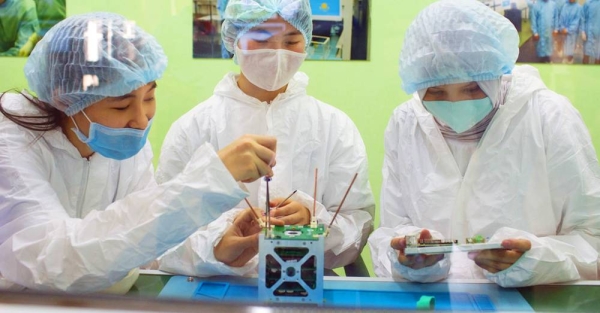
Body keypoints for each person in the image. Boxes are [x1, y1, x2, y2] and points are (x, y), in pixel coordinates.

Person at [0, 12, 276, 292]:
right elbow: (51, 261)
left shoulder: (125, 143)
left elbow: (144, 239)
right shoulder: (12, 140)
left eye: (149, 97)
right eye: (121, 106)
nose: (141, 120)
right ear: (64, 97)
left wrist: (216, 248)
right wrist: (207, 182)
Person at [368, 0, 600, 288]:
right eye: (437, 91)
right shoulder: (406, 122)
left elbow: (592, 237)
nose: (456, 103)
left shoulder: (548, 116)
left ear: (495, 74)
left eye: (472, 88)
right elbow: (391, 229)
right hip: (433, 302)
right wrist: (412, 257)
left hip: (534, 300)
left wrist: (535, 259)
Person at [156, 0, 375, 277]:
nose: (277, 52)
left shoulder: (334, 126)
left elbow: (359, 222)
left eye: (291, 40)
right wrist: (217, 245)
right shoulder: (193, 128)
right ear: (234, 41)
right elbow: (161, 234)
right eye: (261, 38)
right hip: (213, 289)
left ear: (307, 41)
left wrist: (312, 220)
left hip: (305, 288)